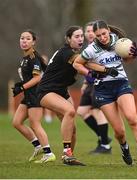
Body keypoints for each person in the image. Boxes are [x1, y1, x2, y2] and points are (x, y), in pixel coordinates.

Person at [73, 20, 137, 166]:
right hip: (103, 89)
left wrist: (134, 55)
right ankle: (125, 148)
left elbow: (127, 60)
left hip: (121, 83)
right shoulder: (91, 49)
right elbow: (77, 64)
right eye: (98, 36)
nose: (102, 37)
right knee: (119, 131)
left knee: (132, 118)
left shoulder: (120, 41)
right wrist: (94, 73)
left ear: (108, 30)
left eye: (104, 34)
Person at [37, 26, 85, 166]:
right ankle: (66, 153)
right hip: (46, 91)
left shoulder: (73, 52)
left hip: (61, 90)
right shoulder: (67, 53)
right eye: (76, 36)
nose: (80, 38)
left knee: (73, 128)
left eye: (82, 36)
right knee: (69, 111)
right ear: (68, 39)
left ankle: (69, 158)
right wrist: (104, 66)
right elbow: (82, 62)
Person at [12, 29, 56, 163]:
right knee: (16, 122)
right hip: (28, 94)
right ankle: (38, 146)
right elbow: (30, 77)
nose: (24, 41)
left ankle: (49, 153)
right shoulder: (25, 58)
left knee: (35, 124)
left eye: (27, 39)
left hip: (35, 94)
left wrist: (22, 87)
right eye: (22, 38)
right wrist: (22, 84)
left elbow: (37, 79)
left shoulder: (33, 58)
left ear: (33, 42)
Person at [77, 21, 112, 154]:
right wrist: (85, 83)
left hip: (100, 83)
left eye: (92, 31)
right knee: (81, 112)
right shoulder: (88, 48)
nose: (89, 33)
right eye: (87, 31)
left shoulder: (101, 47)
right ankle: (104, 137)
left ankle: (105, 146)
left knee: (98, 112)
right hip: (90, 84)